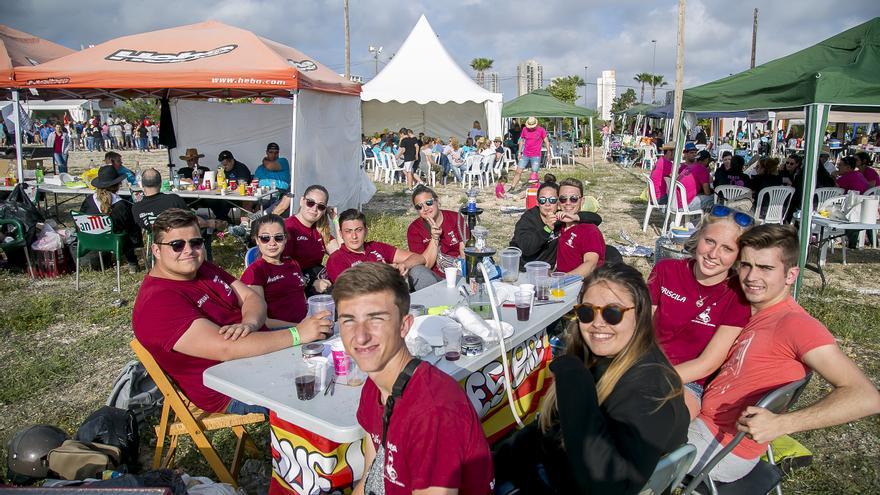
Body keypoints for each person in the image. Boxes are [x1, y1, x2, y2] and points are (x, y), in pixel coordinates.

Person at [688, 224, 880, 483]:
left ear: (791, 275)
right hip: (701, 416)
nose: (751, 277)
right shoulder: (745, 306)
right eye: (745, 265)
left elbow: (867, 397)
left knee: (622, 431)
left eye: (766, 268)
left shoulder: (795, 324)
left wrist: (781, 424)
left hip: (719, 446)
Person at [494, 263, 688, 494]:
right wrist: (493, 462)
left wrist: (575, 384)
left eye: (612, 312)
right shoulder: (600, 357)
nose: (597, 323)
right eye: (587, 312)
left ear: (640, 314)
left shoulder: (650, 388)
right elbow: (548, 431)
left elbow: (609, 484)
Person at [132, 208, 331, 415]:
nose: (188, 250)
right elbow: (226, 348)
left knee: (333, 359)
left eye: (196, 242)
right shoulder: (157, 302)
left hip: (259, 355)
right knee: (322, 395)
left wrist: (250, 323)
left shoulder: (202, 269)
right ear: (156, 250)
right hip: (230, 388)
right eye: (177, 245)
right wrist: (297, 334)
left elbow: (251, 298)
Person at [333, 263, 494, 495]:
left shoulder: (433, 411)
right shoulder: (374, 386)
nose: (360, 336)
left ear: (404, 325)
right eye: (349, 320)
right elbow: (371, 476)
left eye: (376, 319)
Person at [648, 206, 752, 418]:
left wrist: (656, 378)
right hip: (645, 364)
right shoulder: (666, 270)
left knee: (656, 422)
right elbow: (641, 327)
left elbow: (708, 363)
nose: (714, 254)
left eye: (727, 249)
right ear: (698, 237)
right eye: (710, 241)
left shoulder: (737, 295)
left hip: (689, 383)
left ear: (739, 255)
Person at [241, 214, 334, 341]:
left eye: (278, 238)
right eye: (265, 238)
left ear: (285, 239)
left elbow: (302, 300)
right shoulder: (255, 272)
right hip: (281, 335)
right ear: (257, 240)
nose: (272, 243)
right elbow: (262, 321)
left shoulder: (293, 264)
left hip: (306, 326)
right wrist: (300, 328)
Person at [326, 209, 439, 291]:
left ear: (366, 231)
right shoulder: (337, 258)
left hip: (398, 293)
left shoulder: (375, 247)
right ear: (341, 234)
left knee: (419, 270)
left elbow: (419, 258)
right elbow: (349, 289)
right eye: (348, 231)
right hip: (370, 304)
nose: (354, 236)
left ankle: (439, 309)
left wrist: (403, 265)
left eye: (358, 230)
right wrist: (382, 272)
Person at [131, 168, 227, 261]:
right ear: (160, 183)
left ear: (142, 185)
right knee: (202, 221)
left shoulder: (136, 207)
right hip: (180, 239)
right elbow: (192, 220)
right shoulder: (172, 199)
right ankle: (206, 264)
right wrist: (210, 223)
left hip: (159, 240)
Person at [510, 175, 602, 268]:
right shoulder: (528, 219)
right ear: (537, 202)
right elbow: (527, 249)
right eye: (542, 200)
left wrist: (576, 217)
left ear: (558, 203)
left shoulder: (560, 217)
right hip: (524, 269)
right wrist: (547, 228)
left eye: (552, 200)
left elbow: (596, 219)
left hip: (547, 271)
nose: (547, 204)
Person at [79, 165, 142, 273]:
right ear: (118, 184)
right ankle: (132, 263)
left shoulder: (88, 202)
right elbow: (131, 227)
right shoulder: (122, 206)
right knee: (130, 230)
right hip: (116, 242)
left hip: (91, 240)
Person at [280, 185, 339, 295]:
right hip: (299, 282)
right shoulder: (288, 228)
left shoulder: (319, 229)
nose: (314, 209)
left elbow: (341, 253)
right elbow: (282, 268)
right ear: (302, 201)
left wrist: (335, 219)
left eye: (321, 206)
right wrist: (311, 282)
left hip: (320, 276)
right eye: (310, 202)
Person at [406, 185, 465, 277]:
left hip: (460, 271)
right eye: (419, 207)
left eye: (429, 203)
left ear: (437, 201)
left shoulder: (455, 218)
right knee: (417, 273)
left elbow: (464, 251)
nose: (425, 209)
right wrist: (435, 238)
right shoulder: (414, 229)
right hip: (435, 276)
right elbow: (425, 266)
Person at [555, 178, 605, 276]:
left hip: (580, 284)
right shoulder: (557, 223)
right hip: (557, 280)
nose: (568, 203)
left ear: (582, 201)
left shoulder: (590, 230)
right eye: (563, 199)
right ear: (558, 202)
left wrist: (562, 280)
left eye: (574, 199)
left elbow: (590, 264)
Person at [208, 150, 253, 222]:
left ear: (232, 161)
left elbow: (243, 185)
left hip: (239, 196)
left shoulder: (241, 168)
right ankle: (223, 219)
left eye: (226, 165)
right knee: (211, 201)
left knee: (224, 202)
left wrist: (230, 187)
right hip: (224, 194)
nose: (224, 167)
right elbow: (217, 183)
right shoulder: (221, 169)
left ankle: (220, 220)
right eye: (222, 164)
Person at [508, 117, 551, 192]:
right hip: (525, 154)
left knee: (534, 173)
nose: (531, 128)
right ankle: (512, 187)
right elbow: (522, 141)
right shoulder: (525, 129)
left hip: (536, 155)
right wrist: (519, 152)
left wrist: (548, 154)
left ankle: (534, 190)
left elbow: (546, 141)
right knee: (518, 171)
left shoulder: (541, 130)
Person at [396, 128, 422, 193]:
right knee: (407, 170)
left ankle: (410, 188)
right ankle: (412, 185)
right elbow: (417, 146)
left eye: (400, 135)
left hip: (408, 158)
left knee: (408, 172)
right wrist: (416, 154)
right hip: (413, 157)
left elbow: (403, 150)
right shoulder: (412, 139)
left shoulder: (404, 140)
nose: (400, 136)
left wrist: (397, 156)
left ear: (402, 133)